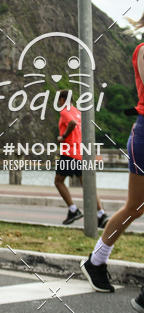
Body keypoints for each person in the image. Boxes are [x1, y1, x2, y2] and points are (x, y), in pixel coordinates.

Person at [81, 21, 144, 298]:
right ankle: (96, 261)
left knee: (136, 208)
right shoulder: (143, 50)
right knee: (134, 207)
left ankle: (95, 262)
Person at [53, 89, 107, 227]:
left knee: (58, 181)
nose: (58, 102)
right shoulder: (78, 112)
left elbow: (72, 124)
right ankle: (101, 214)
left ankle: (73, 210)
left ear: (62, 100)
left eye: (58, 100)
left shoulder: (65, 111)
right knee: (87, 185)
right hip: (81, 153)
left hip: (69, 153)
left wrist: (63, 137)